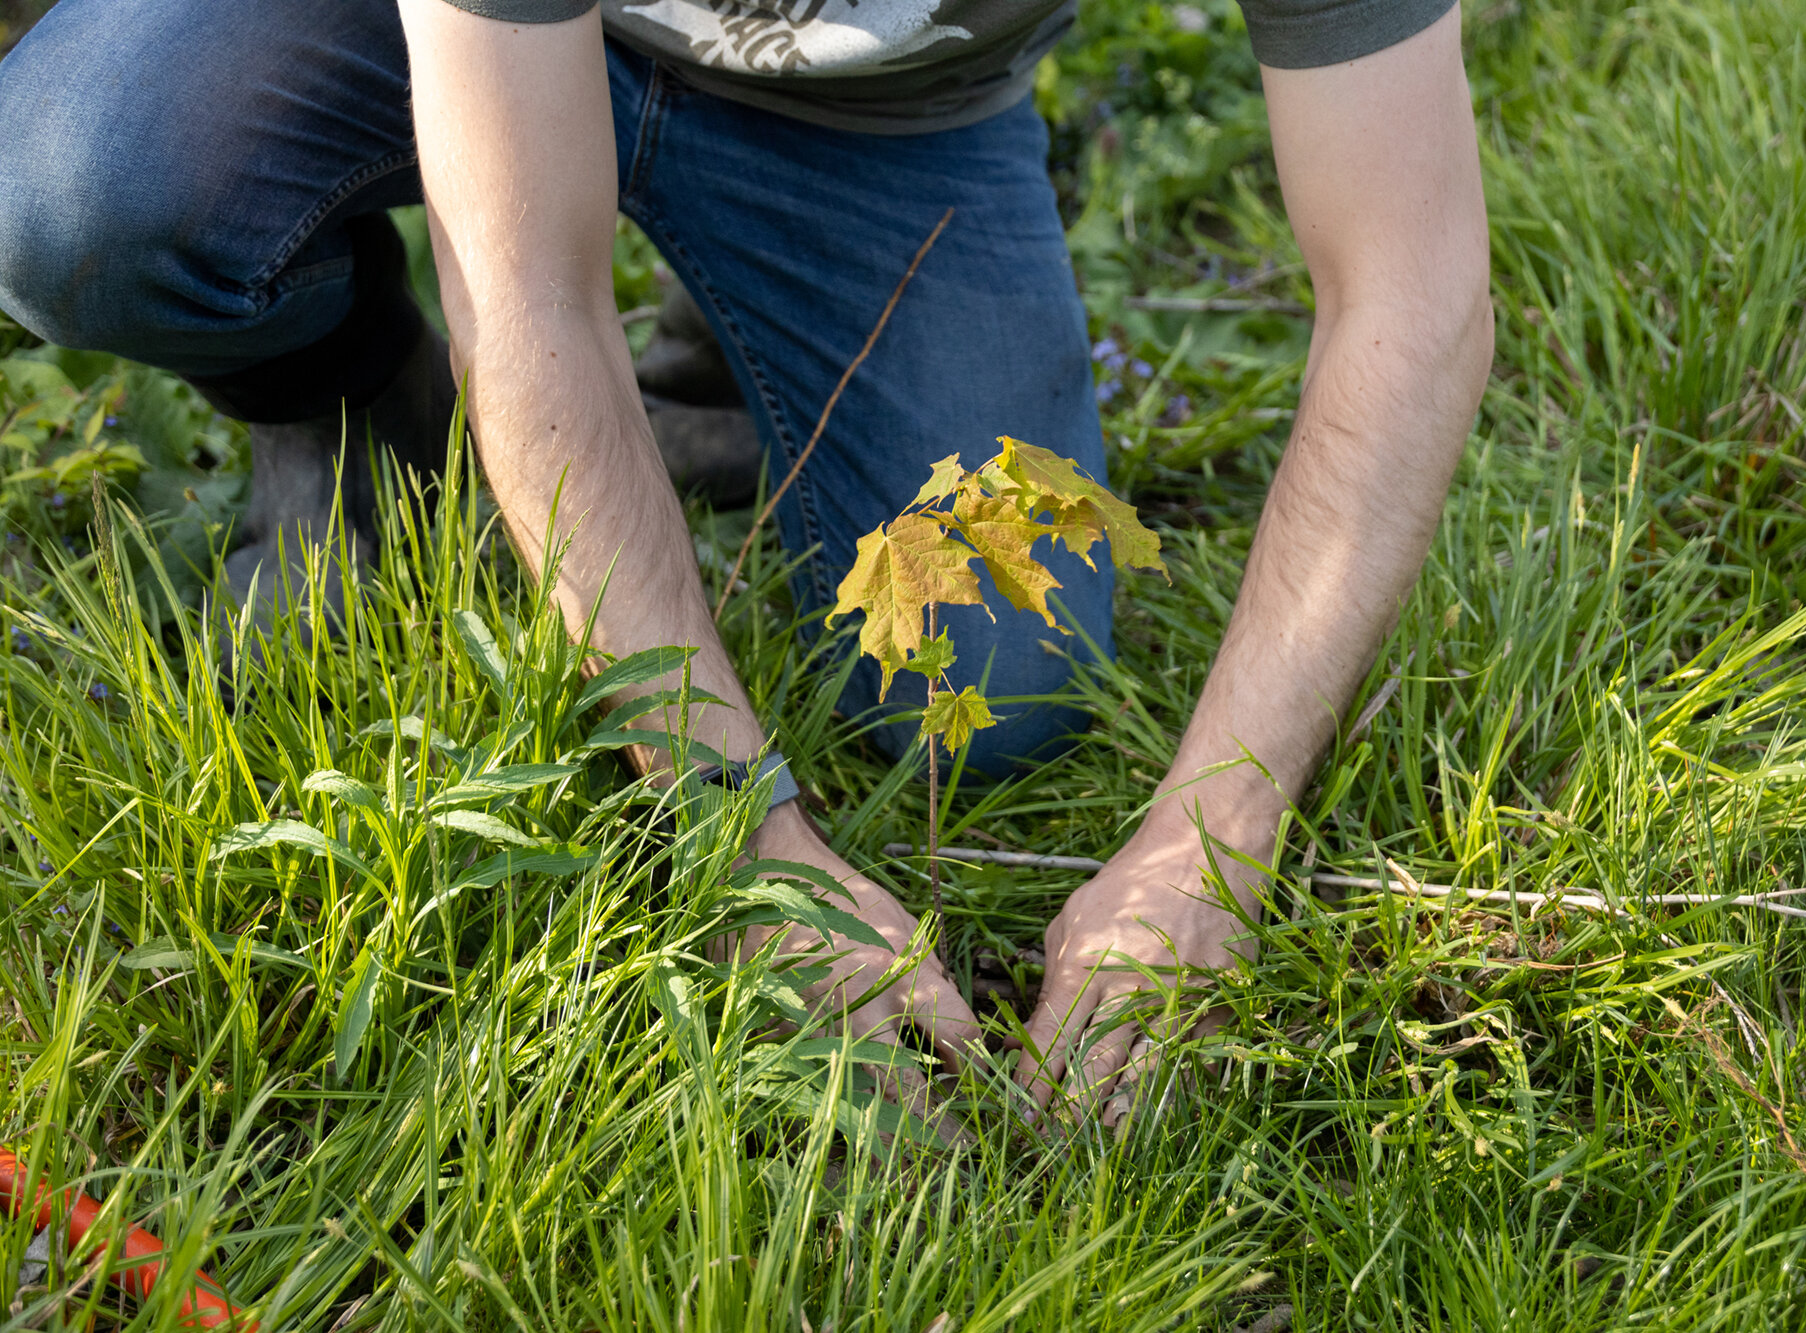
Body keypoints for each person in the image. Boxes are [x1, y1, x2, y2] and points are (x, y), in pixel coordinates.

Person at [0, 0, 1491, 1125]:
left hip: (882, 120)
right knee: (76, 192)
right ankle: (354, 393)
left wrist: (1206, 847)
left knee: (995, 691)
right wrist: (746, 837)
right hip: (431, 38)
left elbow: (1413, 288)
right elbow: (524, 286)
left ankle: (732, 371)